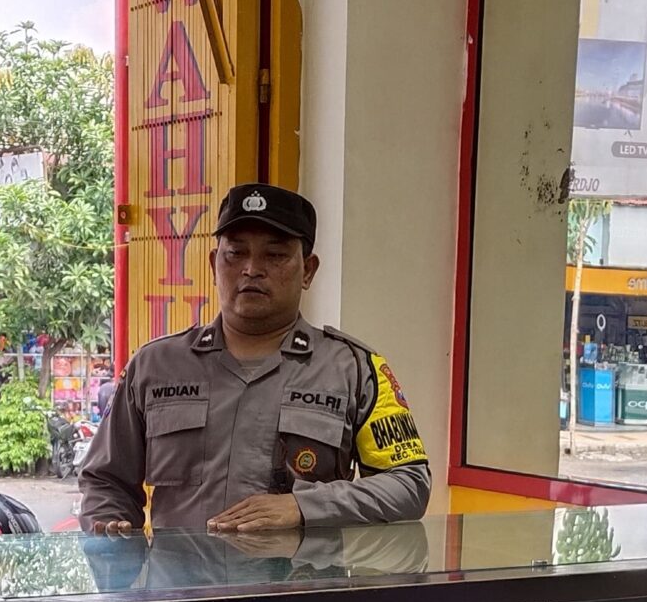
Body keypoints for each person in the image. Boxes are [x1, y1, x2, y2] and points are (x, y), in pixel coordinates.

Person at [80, 184, 430, 535]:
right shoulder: (155, 365)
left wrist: (304, 506)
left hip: (302, 573)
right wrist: (111, 532)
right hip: (180, 573)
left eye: (275, 255)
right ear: (213, 264)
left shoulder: (353, 368)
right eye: (235, 253)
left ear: (308, 271)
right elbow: (105, 480)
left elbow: (409, 484)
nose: (251, 269)